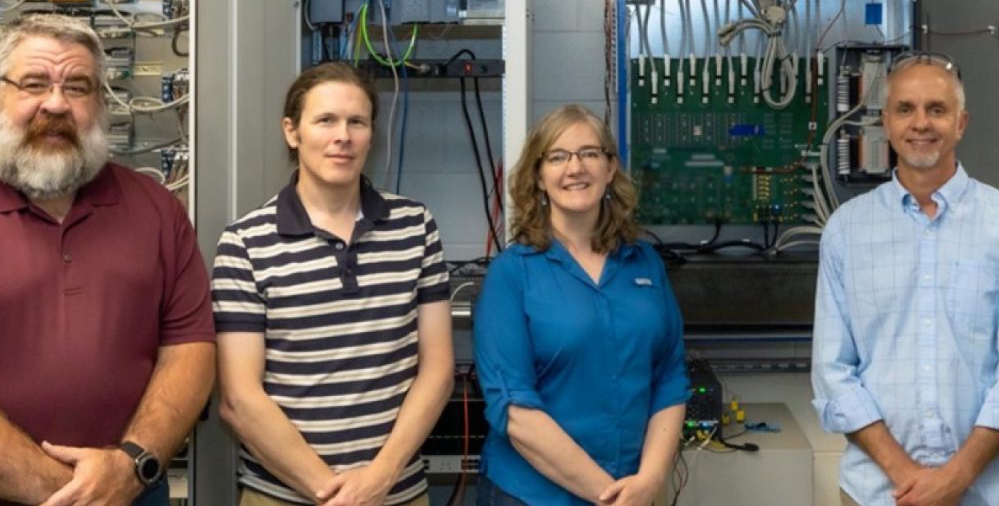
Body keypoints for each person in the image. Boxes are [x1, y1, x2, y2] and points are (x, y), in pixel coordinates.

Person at [0, 13, 215, 505]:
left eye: (78, 87)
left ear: (100, 102)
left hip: (127, 489)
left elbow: (190, 350)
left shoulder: (157, 214)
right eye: (33, 83)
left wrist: (133, 463)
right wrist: (73, 494)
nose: (56, 103)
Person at [812, 53, 999, 506]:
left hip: (988, 494)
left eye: (936, 109)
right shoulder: (846, 230)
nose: (920, 123)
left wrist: (954, 478)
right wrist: (907, 477)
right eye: (905, 109)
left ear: (961, 123)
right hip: (878, 494)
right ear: (885, 122)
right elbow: (833, 374)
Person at [213, 62, 453, 506]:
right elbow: (239, 398)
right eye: (325, 120)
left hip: (395, 492)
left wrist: (379, 477)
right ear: (292, 131)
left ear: (370, 134)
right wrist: (331, 492)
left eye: (356, 122)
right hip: (281, 495)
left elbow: (437, 371)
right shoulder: (246, 242)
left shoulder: (415, 226)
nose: (343, 136)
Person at [472, 104, 691, 506]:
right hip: (532, 495)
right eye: (558, 157)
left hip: (633, 489)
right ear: (539, 177)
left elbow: (670, 377)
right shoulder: (512, 275)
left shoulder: (644, 263)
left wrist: (651, 478)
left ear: (610, 170)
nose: (575, 168)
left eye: (590, 153)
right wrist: (609, 497)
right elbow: (515, 409)